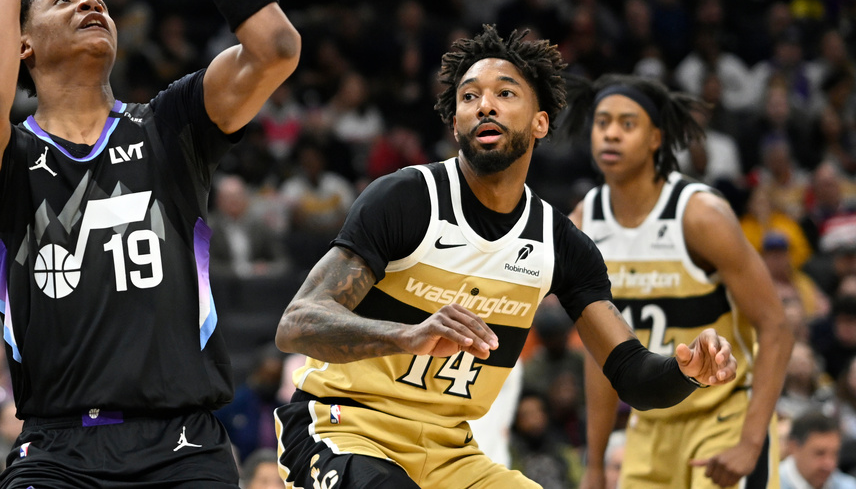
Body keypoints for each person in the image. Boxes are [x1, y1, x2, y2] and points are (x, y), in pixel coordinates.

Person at [0, 0, 300, 489]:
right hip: (56, 451)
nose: (91, 3)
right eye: (65, 0)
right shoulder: (11, 155)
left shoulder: (171, 124)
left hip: (185, 446)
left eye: (100, 2)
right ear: (22, 44)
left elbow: (277, 46)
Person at [274, 26, 737, 489]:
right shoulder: (407, 198)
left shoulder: (560, 244)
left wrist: (684, 371)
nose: (485, 105)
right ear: (455, 123)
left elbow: (633, 375)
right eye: (469, 96)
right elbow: (298, 322)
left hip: (448, 452)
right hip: (340, 427)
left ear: (540, 121)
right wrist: (406, 335)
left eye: (505, 93)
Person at [562, 73, 793, 489]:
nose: (611, 134)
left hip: (722, 419)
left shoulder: (700, 215)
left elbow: (776, 326)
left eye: (627, 124)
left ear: (656, 138)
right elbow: (602, 359)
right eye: (602, 122)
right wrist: (594, 463)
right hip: (648, 425)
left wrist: (751, 442)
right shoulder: (583, 222)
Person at [779, 408, 856, 489]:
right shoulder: (770, 483)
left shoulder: (847, 485)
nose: (829, 464)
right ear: (793, 447)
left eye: (835, 453)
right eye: (820, 453)